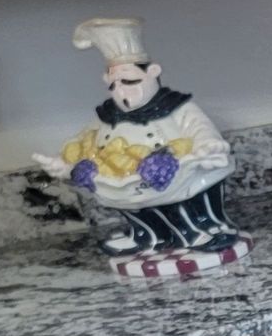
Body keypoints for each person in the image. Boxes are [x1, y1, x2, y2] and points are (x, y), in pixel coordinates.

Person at [32, 18, 239, 256]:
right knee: (131, 205)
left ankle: (202, 229)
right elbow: (82, 141)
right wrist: (64, 161)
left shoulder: (177, 107)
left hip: (183, 173)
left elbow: (199, 127)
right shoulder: (107, 115)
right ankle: (147, 236)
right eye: (113, 85)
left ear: (152, 73)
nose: (121, 92)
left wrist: (207, 144)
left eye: (130, 82)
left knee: (188, 200)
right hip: (120, 181)